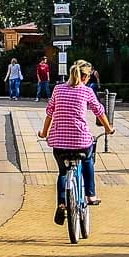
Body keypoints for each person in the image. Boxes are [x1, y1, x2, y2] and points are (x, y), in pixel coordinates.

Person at [38, 60, 115, 225]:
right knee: (88, 159)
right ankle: (90, 194)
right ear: (86, 76)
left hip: (58, 142)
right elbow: (99, 112)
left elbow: (49, 113)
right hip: (80, 140)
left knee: (63, 173)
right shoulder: (86, 91)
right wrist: (109, 129)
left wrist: (44, 133)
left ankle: (61, 203)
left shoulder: (58, 89)